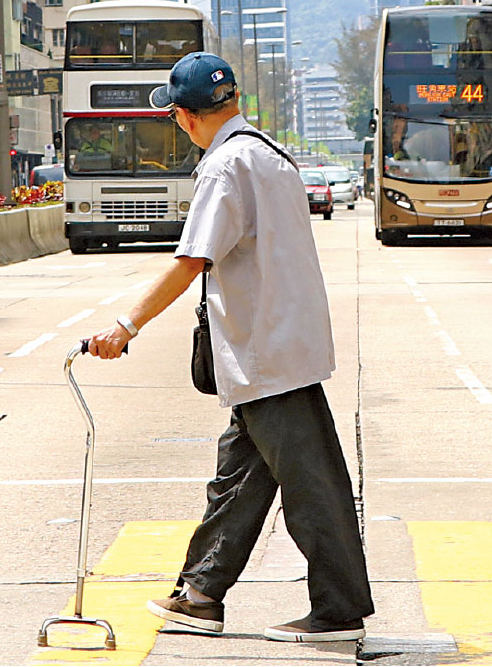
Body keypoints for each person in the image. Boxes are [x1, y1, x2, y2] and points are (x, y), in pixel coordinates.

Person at [84, 52, 375, 643]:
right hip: (276, 348)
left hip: (267, 353)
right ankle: (201, 594)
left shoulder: (225, 168)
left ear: (184, 117)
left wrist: (125, 326)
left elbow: (193, 260)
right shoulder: (271, 155)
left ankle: (338, 610)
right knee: (241, 478)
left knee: (312, 485)